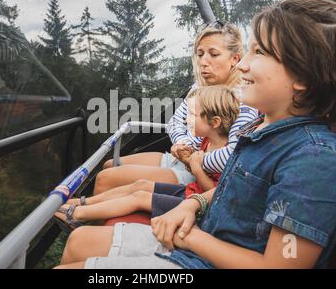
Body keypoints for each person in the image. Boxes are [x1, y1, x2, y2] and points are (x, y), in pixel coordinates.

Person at [55, 0, 336, 269]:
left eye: (259, 52)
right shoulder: (265, 130)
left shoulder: (316, 164)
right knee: (79, 242)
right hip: (204, 241)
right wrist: (194, 204)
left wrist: (190, 239)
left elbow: (279, 266)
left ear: (303, 78)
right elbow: (241, 188)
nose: (241, 64)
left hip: (204, 254)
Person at [89, 22, 258, 195]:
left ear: (235, 59)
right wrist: (182, 144)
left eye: (213, 54)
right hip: (180, 158)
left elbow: (235, 155)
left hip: (200, 172)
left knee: (105, 179)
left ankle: (80, 215)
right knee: (109, 164)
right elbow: (175, 122)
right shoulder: (198, 87)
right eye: (200, 54)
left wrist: (192, 160)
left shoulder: (244, 99)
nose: (203, 62)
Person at [54, 86, 239, 228]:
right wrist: (191, 162)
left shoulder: (227, 155)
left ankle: (77, 215)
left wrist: (197, 169)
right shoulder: (206, 141)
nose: (186, 120)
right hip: (190, 190)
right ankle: (82, 203)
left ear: (215, 122)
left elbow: (216, 193)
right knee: (139, 185)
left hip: (197, 204)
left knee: (140, 197)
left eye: (192, 116)